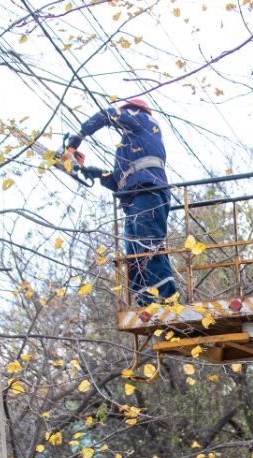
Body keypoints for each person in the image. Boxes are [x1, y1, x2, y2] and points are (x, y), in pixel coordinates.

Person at [64, 99, 178, 306]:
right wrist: (94, 172)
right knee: (133, 254)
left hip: (149, 193)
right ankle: (146, 302)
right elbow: (119, 183)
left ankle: (170, 298)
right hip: (134, 199)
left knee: (148, 245)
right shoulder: (129, 146)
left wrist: (77, 139)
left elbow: (108, 114)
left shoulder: (145, 122)